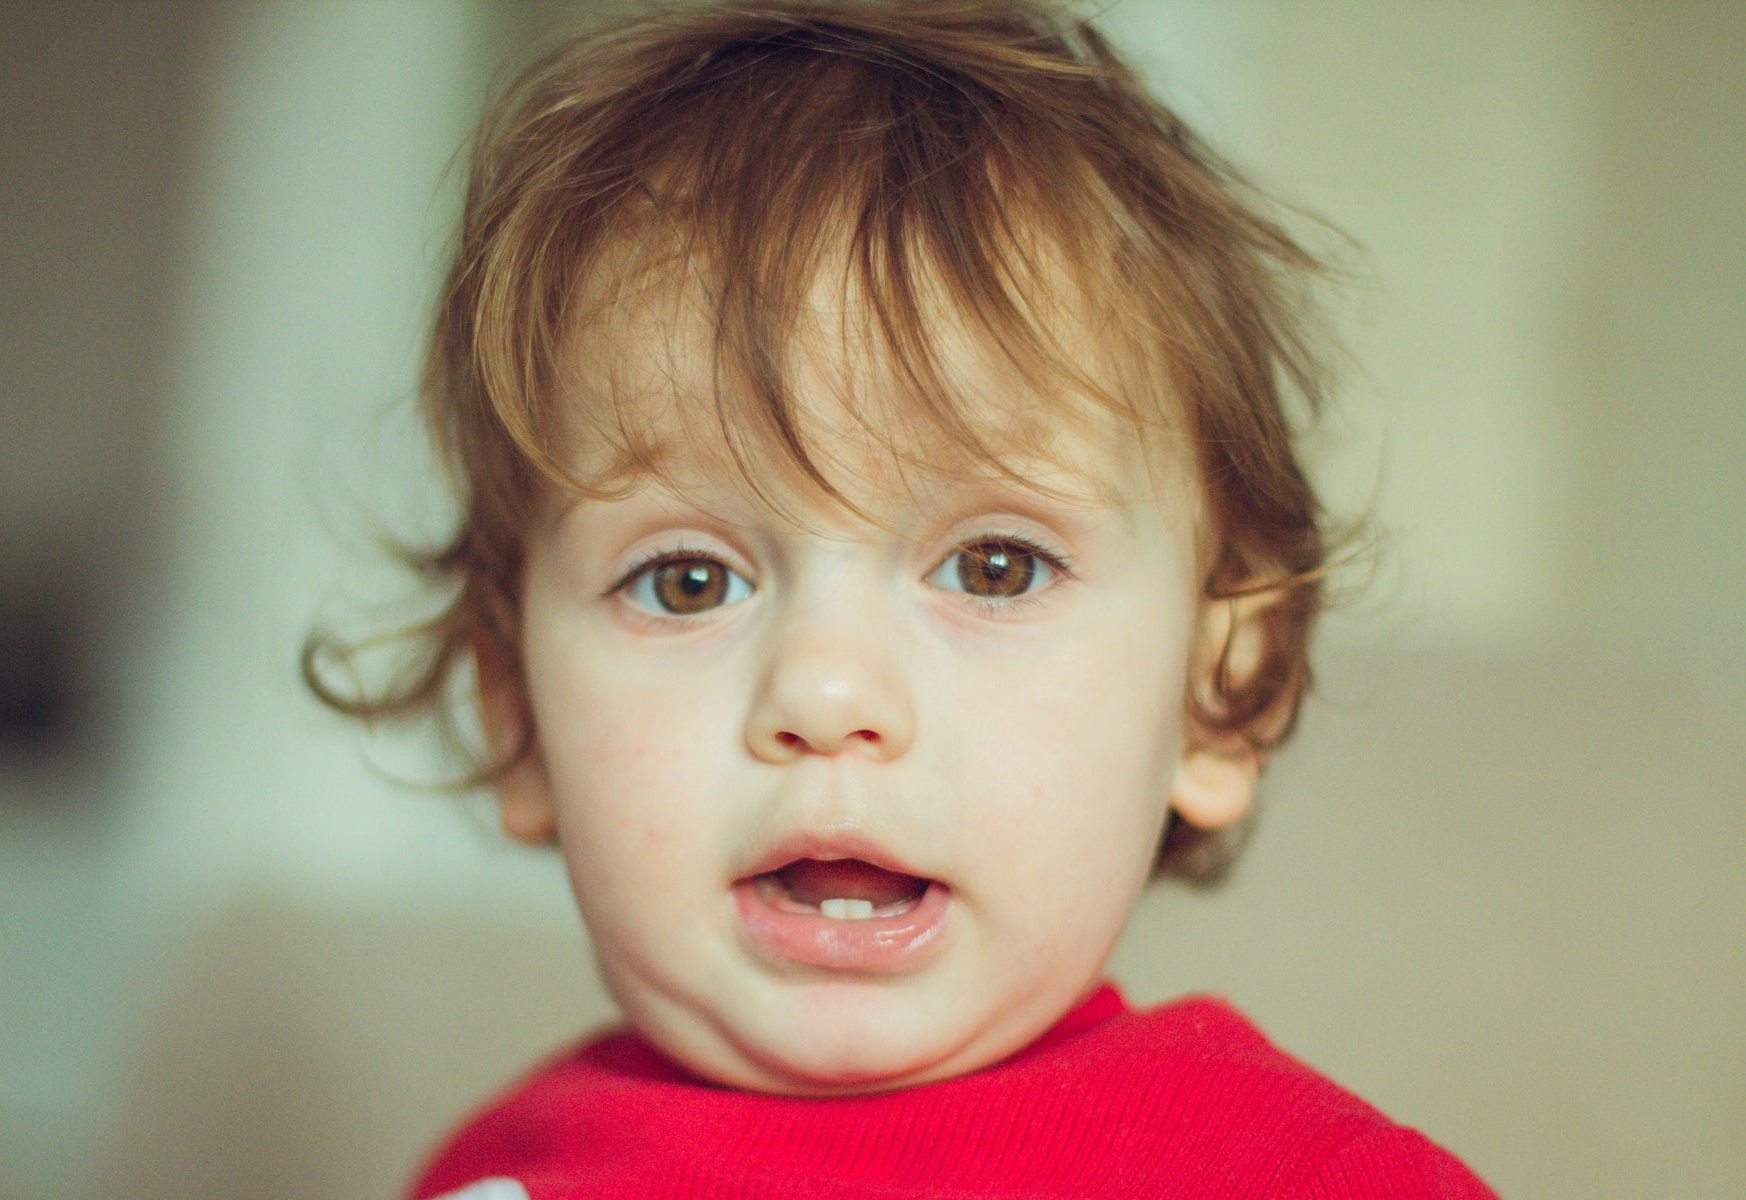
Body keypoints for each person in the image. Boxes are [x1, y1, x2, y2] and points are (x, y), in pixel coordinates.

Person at [308, 2, 1499, 1196]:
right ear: (512, 711)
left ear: (1220, 690)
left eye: (995, 566)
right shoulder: (503, 1173)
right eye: (688, 581)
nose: (825, 692)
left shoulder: (1303, 1179)